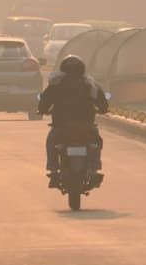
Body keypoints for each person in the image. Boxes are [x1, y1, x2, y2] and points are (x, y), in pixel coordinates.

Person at [38, 55, 109, 188]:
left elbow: (44, 101)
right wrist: (103, 110)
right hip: (86, 125)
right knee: (96, 142)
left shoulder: (56, 83)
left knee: (51, 141)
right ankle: (94, 169)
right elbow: (102, 103)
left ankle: (53, 171)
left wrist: (42, 110)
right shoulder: (89, 83)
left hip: (62, 125)